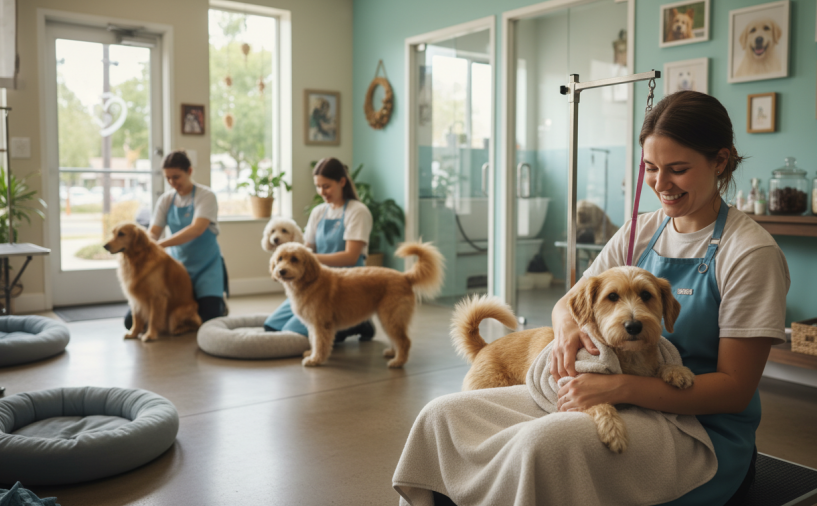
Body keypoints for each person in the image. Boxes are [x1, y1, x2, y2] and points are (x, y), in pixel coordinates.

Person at [393, 91, 790, 506]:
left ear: (720, 161)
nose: (660, 184)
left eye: (677, 170)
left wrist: (620, 388)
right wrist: (566, 332)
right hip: (613, 392)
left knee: (541, 446)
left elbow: (734, 390)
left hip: (699, 430)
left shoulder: (749, 253)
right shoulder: (641, 230)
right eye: (650, 169)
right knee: (441, 417)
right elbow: (571, 302)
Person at [264, 157, 375, 342]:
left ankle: (357, 321)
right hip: (317, 281)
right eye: (318, 186)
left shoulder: (358, 211)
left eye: (326, 186)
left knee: (295, 335)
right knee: (272, 326)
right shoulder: (319, 212)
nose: (322, 192)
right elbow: (307, 248)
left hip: (344, 286)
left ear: (342, 182)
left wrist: (310, 259)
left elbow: (350, 256)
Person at [123, 150, 226, 329]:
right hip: (176, 270)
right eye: (168, 178)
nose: (172, 182)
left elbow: (196, 229)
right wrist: (142, 244)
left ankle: (219, 304)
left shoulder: (206, 196)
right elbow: (153, 232)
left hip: (206, 268)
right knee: (130, 321)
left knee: (208, 319)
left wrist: (158, 245)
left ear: (190, 172)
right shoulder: (166, 200)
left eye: (176, 177)